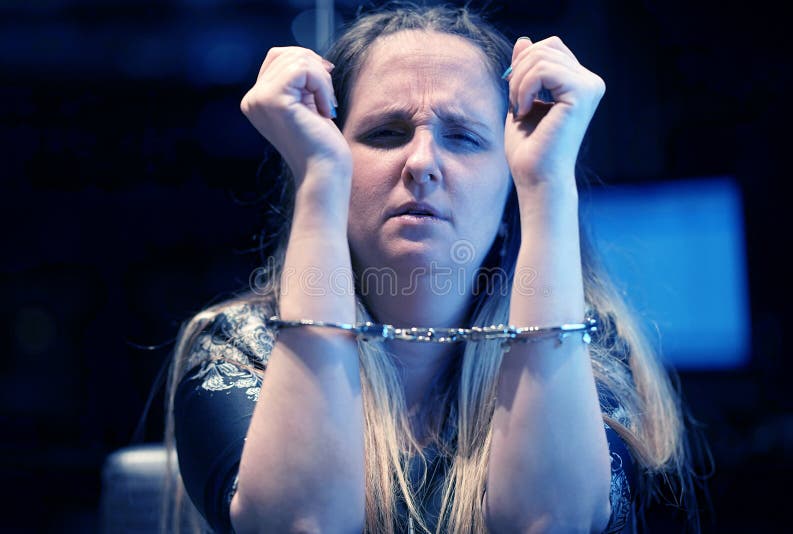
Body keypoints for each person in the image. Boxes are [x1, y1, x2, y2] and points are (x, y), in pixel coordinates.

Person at [163, 3, 701, 533]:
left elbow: (549, 523)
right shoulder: (237, 346)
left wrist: (547, 184)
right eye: (386, 133)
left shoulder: (593, 345)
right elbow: (305, 524)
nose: (421, 163)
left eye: (463, 136)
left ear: (508, 177)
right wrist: (318, 180)